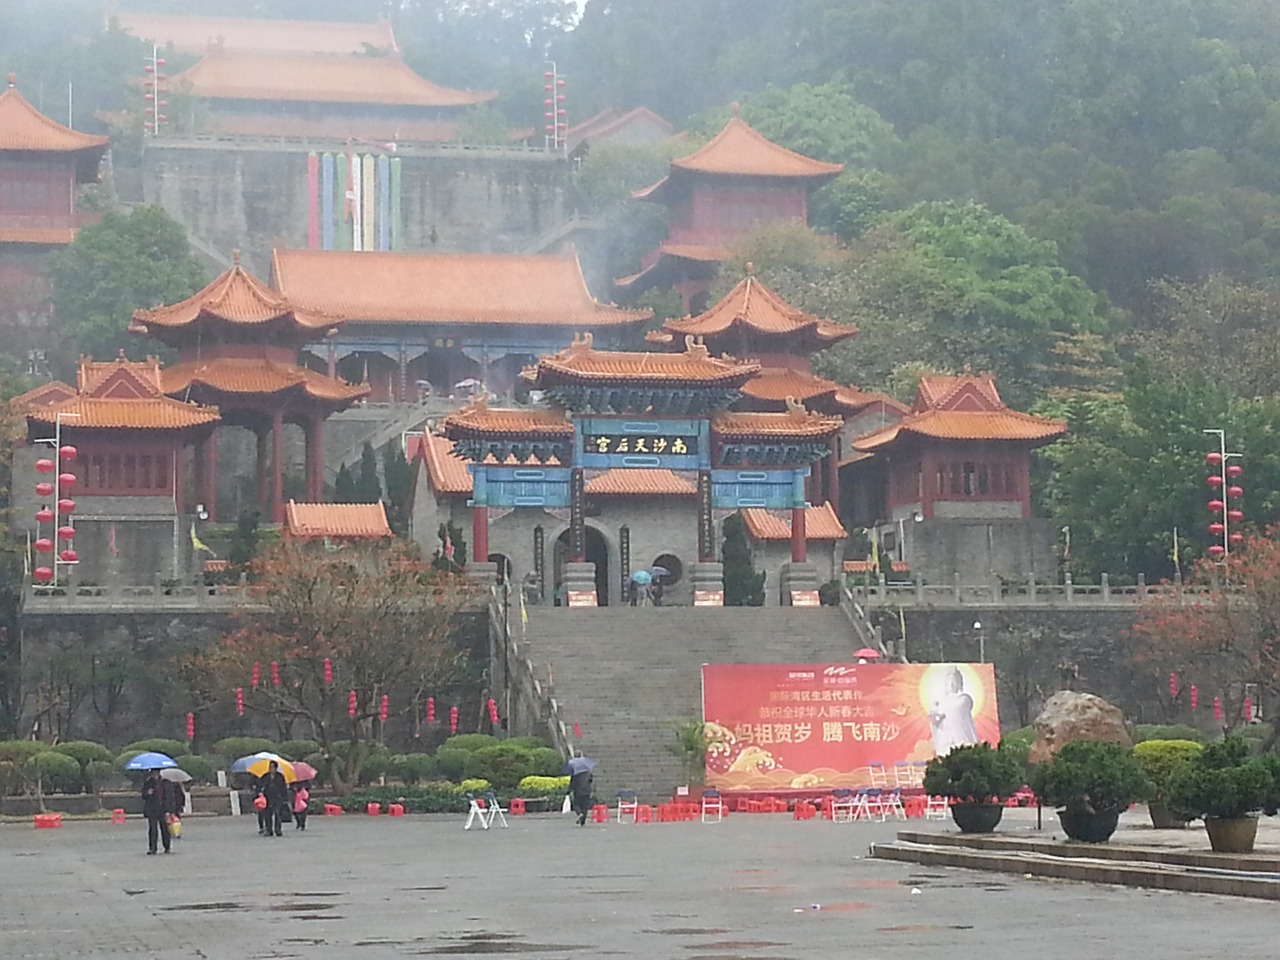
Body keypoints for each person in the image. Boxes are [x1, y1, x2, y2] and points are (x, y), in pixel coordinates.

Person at [928, 666, 980, 756]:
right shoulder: (941, 702)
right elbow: (934, 717)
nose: (951, 685)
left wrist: (943, 714)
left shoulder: (963, 698)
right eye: (949, 682)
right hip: (946, 737)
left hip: (959, 737)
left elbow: (958, 709)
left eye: (954, 682)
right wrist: (935, 716)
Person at [141, 770, 172, 855]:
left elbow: (169, 797)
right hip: (152, 809)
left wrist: (168, 810)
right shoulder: (148, 783)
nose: (154, 775)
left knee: (165, 829)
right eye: (153, 773)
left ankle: (167, 846)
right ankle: (153, 848)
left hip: (163, 808)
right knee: (153, 829)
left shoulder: (165, 783)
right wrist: (147, 793)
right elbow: (143, 795)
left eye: (155, 773)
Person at [260, 760, 290, 838]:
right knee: (268, 814)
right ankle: (269, 829)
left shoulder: (280, 776)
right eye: (270, 767)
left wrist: (285, 798)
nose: (271, 769)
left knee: (277, 814)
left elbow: (283, 787)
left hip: (277, 797)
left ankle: (278, 829)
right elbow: (261, 785)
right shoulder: (265, 776)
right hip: (268, 797)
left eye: (273, 767)